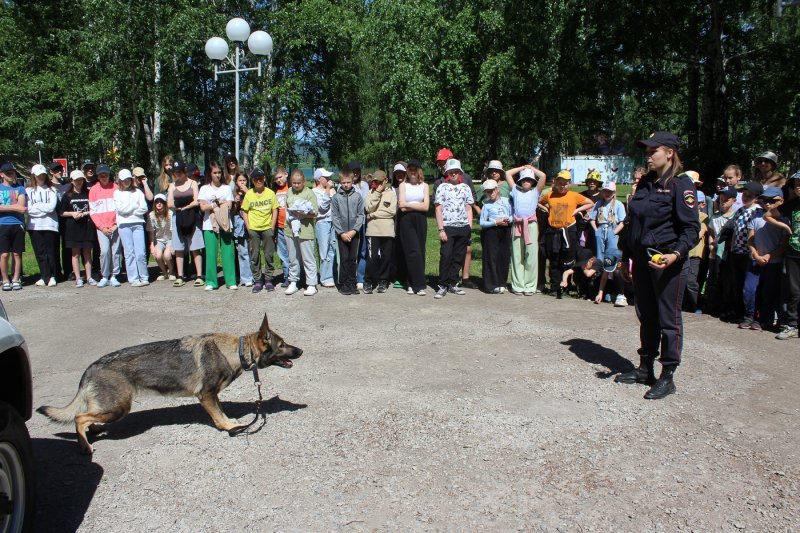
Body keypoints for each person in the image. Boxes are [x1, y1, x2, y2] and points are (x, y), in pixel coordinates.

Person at [617, 132, 700, 400]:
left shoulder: (681, 185)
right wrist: (625, 257)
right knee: (646, 315)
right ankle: (644, 368)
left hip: (667, 263)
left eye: (654, 150)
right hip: (642, 260)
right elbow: (633, 223)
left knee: (668, 320)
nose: (648, 154)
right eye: (648, 150)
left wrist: (676, 253)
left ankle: (668, 376)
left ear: (670, 153)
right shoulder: (646, 183)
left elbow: (691, 228)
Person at [538, 170, 594, 298]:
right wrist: (546, 209)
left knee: (568, 260)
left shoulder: (574, 195)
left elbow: (590, 203)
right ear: (556, 182)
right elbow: (539, 202)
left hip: (569, 231)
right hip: (553, 231)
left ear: (569, 183)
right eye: (560, 183)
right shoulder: (550, 195)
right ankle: (554, 287)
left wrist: (577, 210)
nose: (562, 186)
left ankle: (565, 287)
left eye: (565, 183)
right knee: (554, 260)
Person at [740, 187, 789, 331]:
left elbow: (784, 244)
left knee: (768, 292)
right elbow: (750, 240)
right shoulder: (756, 217)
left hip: (773, 262)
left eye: (771, 201)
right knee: (749, 290)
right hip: (755, 260)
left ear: (781, 201)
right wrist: (755, 254)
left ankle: (763, 320)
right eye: (765, 200)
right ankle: (749, 316)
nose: (767, 204)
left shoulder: (784, 220)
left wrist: (769, 256)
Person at [433, 149, 480, 289]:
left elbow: (470, 205)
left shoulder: (466, 181)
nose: (442, 165)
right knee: (447, 255)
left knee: (460, 255)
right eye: (440, 163)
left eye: (443, 162)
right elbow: (437, 207)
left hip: (463, 226)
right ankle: (443, 283)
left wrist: (469, 227)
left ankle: (456, 281)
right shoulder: (439, 183)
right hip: (448, 225)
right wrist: (441, 228)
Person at [724, 181, 764, 322]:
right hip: (737, 252)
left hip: (750, 254)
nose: (745, 197)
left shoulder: (759, 211)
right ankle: (738, 311)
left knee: (749, 287)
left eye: (749, 195)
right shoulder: (740, 210)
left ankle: (751, 314)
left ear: (757, 197)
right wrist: (732, 247)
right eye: (744, 194)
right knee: (737, 284)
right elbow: (735, 231)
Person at [504, 165, 547, 294]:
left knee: (531, 255)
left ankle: (529, 285)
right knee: (517, 255)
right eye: (523, 179)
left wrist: (531, 168)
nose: (526, 181)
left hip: (531, 225)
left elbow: (543, 176)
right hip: (517, 225)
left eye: (529, 179)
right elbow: (507, 173)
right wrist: (522, 168)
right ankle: (518, 285)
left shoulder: (535, 192)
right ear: (520, 181)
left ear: (533, 181)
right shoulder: (515, 191)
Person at [767, 174, 800, 339]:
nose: (798, 187)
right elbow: (768, 215)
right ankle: (792, 325)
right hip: (794, 252)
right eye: (796, 185)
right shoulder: (792, 204)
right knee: (794, 291)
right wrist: (786, 227)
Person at [198, 161, 237, 291]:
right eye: (215, 173)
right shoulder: (204, 189)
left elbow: (230, 205)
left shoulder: (226, 188)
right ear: (210, 174)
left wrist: (214, 204)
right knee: (210, 253)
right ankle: (211, 281)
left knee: (228, 252)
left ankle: (230, 281)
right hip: (209, 224)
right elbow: (203, 207)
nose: (217, 175)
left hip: (225, 223)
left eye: (219, 172)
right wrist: (216, 204)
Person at [589, 180, 627, 306]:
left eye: (609, 192)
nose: (607, 194)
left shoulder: (619, 205)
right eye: (605, 191)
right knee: (600, 260)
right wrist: (596, 230)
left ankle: (616, 292)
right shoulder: (599, 204)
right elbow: (591, 218)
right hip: (601, 230)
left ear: (614, 192)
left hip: (612, 230)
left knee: (611, 260)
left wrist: (614, 232)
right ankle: (600, 291)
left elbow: (622, 221)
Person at [167, 160, 204, 287]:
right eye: (175, 172)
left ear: (184, 171)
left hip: (192, 217)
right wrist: (181, 206)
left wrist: (183, 206)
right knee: (179, 248)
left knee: (195, 247)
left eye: (179, 171)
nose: (177, 174)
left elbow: (196, 201)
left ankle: (199, 275)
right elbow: (170, 203)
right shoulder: (172, 185)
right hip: (178, 217)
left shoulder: (193, 183)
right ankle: (180, 276)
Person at [241, 168, 278, 292]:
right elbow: (244, 211)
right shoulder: (249, 194)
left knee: (269, 255)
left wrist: (272, 227)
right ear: (252, 180)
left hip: (267, 228)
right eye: (256, 178)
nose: (258, 180)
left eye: (260, 178)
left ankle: (268, 279)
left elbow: (275, 210)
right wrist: (249, 227)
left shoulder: (270, 193)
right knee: (255, 256)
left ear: (264, 179)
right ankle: (258, 280)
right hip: (254, 230)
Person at [397, 160, 430, 296]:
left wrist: (409, 204)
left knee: (420, 250)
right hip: (406, 220)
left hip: (421, 219)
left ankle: (418, 281)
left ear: (419, 171)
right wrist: (417, 205)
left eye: (415, 169)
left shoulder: (425, 186)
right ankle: (414, 284)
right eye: (410, 169)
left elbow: (426, 207)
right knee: (412, 250)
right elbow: (402, 207)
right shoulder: (402, 185)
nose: (412, 172)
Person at [705, 186, 738, 316]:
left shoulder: (736, 216)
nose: (722, 202)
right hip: (715, 254)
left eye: (726, 200)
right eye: (721, 199)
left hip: (728, 254)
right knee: (714, 279)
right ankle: (713, 305)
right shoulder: (715, 216)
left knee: (727, 280)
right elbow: (711, 233)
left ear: (734, 201)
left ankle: (725, 307)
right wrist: (711, 245)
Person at [59, 170, 95, 286]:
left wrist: (86, 213)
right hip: (73, 227)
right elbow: (61, 212)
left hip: (87, 226)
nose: (79, 182)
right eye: (76, 180)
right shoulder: (67, 195)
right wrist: (72, 214)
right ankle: (78, 277)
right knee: (75, 253)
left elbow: (94, 208)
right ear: (71, 181)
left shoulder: (88, 193)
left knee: (87, 252)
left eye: (81, 179)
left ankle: (89, 277)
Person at [285, 169, 318, 296]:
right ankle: (293, 282)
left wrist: (302, 214)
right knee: (293, 258)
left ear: (303, 181)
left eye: (299, 183)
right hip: (289, 230)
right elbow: (287, 207)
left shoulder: (310, 193)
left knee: (308, 258)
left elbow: (315, 213)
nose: (296, 185)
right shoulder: (289, 192)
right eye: (294, 183)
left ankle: (311, 284)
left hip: (305, 231)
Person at [363, 170, 397, 294]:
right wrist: (377, 193)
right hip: (372, 231)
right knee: (372, 258)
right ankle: (368, 280)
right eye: (375, 182)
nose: (377, 184)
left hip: (387, 231)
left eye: (379, 182)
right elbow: (368, 207)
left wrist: (373, 215)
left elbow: (391, 212)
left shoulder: (391, 194)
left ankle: (383, 280)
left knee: (386, 257)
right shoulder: (370, 193)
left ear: (385, 181)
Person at [114, 169, 149, 286]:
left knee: (140, 252)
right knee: (129, 252)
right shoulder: (117, 193)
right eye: (124, 180)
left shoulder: (138, 192)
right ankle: (133, 278)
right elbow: (120, 210)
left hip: (138, 223)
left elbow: (144, 208)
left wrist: (129, 211)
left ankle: (144, 276)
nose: (127, 182)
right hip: (124, 225)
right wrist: (134, 206)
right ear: (120, 181)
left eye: (129, 179)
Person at [331, 168, 364, 295]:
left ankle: (352, 282)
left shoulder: (357, 196)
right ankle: (343, 283)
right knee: (344, 258)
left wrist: (354, 230)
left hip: (354, 234)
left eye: (348, 182)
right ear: (340, 182)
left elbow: (361, 215)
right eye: (343, 182)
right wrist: (342, 233)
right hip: (342, 234)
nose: (346, 185)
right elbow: (335, 216)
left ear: (352, 181)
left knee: (352, 258)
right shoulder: (336, 198)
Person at [89, 164, 122, 287]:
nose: (104, 177)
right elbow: (93, 212)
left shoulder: (116, 188)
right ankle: (104, 275)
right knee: (104, 251)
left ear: (109, 175)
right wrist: (102, 227)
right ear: (98, 176)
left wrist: (115, 225)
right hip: (102, 227)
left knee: (116, 252)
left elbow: (120, 209)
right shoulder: (93, 190)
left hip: (115, 225)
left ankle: (114, 275)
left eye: (106, 175)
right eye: (101, 175)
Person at [26, 164, 59, 287]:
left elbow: (51, 207)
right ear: (34, 176)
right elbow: (29, 209)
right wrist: (40, 208)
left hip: (49, 225)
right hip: (34, 226)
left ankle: (52, 275)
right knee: (39, 252)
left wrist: (37, 206)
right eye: (39, 175)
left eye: (43, 175)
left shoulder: (52, 189)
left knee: (50, 251)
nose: (42, 177)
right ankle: (44, 275)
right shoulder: (28, 191)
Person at [478, 179, 512, 293]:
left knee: (504, 256)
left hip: (505, 230)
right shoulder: (486, 205)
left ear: (497, 189)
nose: (490, 193)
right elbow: (482, 222)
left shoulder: (507, 201)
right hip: (491, 231)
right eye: (487, 192)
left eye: (492, 190)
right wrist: (495, 222)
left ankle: (502, 282)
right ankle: (490, 285)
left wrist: (508, 220)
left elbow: (513, 215)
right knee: (491, 257)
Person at [0, 162, 27, 291]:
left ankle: (16, 278)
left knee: (17, 254)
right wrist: (14, 207)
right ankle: (5, 279)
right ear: (2, 174)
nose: (11, 175)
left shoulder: (20, 188)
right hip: (2, 224)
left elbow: (22, 209)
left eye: (13, 173)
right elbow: (18, 207)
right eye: (8, 173)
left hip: (17, 224)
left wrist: (3, 208)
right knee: (4, 254)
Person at [684, 190, 709, 312]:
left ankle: (696, 304)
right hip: (683, 253)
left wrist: (686, 238)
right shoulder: (685, 215)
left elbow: (701, 232)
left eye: (696, 203)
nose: (693, 206)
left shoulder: (702, 217)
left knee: (691, 281)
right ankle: (686, 304)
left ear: (702, 204)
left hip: (695, 254)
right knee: (683, 280)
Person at [312, 167, 337, 288]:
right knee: (324, 251)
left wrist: (331, 191)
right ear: (318, 179)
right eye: (326, 177)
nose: (328, 179)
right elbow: (322, 208)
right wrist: (328, 190)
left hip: (333, 222)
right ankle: (325, 277)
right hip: (322, 222)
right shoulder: (315, 192)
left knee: (332, 249)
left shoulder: (332, 190)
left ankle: (331, 274)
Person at [231, 172, 254, 288]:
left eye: (244, 181)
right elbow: (233, 211)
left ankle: (254, 275)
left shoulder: (251, 192)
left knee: (252, 250)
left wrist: (247, 193)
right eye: (240, 181)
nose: (242, 183)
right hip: (239, 224)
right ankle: (246, 277)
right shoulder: (234, 194)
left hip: (250, 223)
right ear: (236, 182)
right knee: (242, 251)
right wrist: (235, 202)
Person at [147, 194, 175, 281]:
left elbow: (174, 231)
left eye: (161, 202)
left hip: (170, 238)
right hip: (159, 239)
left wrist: (173, 245)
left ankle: (171, 271)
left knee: (167, 255)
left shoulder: (170, 214)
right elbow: (151, 232)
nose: (159, 204)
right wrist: (152, 246)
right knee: (158, 255)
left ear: (164, 203)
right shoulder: (151, 215)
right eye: (157, 202)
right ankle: (164, 272)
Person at [390, 161, 408, 289]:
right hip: (394, 223)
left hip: (408, 221)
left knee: (407, 249)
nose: (399, 175)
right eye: (397, 173)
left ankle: (407, 275)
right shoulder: (391, 188)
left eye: (402, 173)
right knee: (396, 250)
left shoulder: (411, 186)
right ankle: (397, 275)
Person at [272, 166, 290, 286]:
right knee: (282, 253)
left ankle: (297, 276)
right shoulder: (274, 191)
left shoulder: (292, 188)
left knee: (293, 252)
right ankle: (287, 276)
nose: (279, 180)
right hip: (279, 226)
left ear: (286, 174)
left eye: (280, 177)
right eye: (276, 178)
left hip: (291, 226)